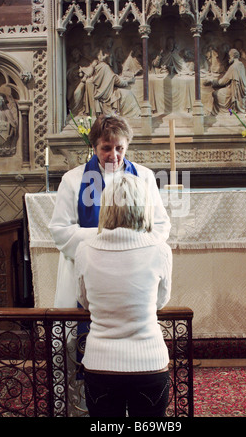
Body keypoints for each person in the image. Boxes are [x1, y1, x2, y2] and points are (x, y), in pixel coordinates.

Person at [74, 173, 172, 417]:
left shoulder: (84, 249)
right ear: (144, 205)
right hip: (149, 361)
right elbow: (161, 301)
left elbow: (84, 302)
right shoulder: (160, 249)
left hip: (100, 363)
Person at [49, 113, 171, 308]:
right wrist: (108, 239)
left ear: (127, 146)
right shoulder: (73, 179)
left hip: (134, 270)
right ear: (94, 147)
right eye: (106, 148)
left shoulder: (144, 177)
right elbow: (60, 230)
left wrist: (131, 244)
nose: (114, 155)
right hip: (88, 269)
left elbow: (160, 225)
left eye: (119, 148)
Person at [204, 48, 246, 115]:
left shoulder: (233, 67)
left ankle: (213, 112)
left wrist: (212, 81)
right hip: (242, 93)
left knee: (215, 93)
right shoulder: (241, 65)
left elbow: (223, 82)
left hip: (234, 92)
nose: (228, 58)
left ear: (232, 56)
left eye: (229, 56)